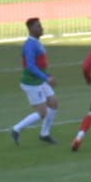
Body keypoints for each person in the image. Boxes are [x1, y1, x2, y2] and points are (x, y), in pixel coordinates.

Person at [10, 17, 59, 145]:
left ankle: (45, 134)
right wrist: (46, 78)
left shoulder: (37, 42)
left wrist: (46, 75)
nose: (41, 28)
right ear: (31, 29)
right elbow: (31, 66)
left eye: (40, 25)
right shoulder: (30, 45)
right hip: (31, 83)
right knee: (42, 113)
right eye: (38, 26)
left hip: (39, 80)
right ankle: (16, 129)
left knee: (53, 103)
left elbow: (39, 64)